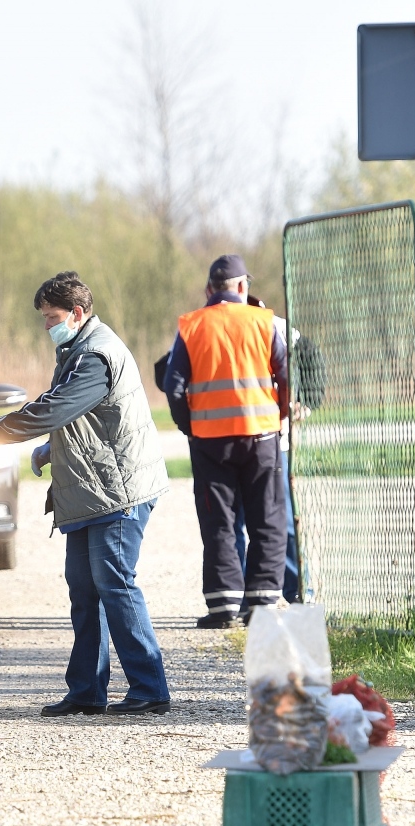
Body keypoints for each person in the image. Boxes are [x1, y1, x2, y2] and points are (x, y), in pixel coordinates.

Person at [0, 271, 171, 716]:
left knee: (115, 584)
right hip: (89, 492)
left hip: (116, 492)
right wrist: (50, 449)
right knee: (83, 590)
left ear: (76, 313)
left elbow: (53, 409)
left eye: (51, 317)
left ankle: (149, 687)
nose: (46, 326)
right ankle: (87, 691)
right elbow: (77, 416)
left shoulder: (95, 356)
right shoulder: (76, 348)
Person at [161, 254, 291, 628]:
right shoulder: (263, 322)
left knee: (219, 521)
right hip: (261, 436)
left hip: (210, 441)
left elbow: (173, 386)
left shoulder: (191, 325)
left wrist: (190, 426)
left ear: (209, 290)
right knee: (267, 518)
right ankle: (262, 603)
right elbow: (286, 375)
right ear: (242, 287)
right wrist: (278, 416)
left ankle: (223, 607)